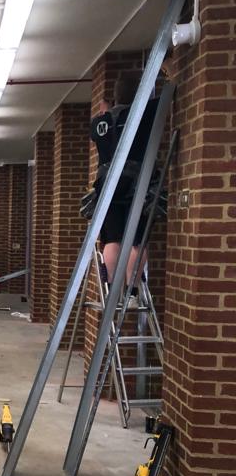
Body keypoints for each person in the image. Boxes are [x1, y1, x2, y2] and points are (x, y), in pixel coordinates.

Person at [87, 59, 174, 302]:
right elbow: (170, 91)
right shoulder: (143, 112)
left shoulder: (99, 123)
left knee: (112, 239)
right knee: (136, 240)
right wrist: (169, 71)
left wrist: (105, 112)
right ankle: (133, 292)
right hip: (139, 183)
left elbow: (100, 128)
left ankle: (112, 290)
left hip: (107, 185)